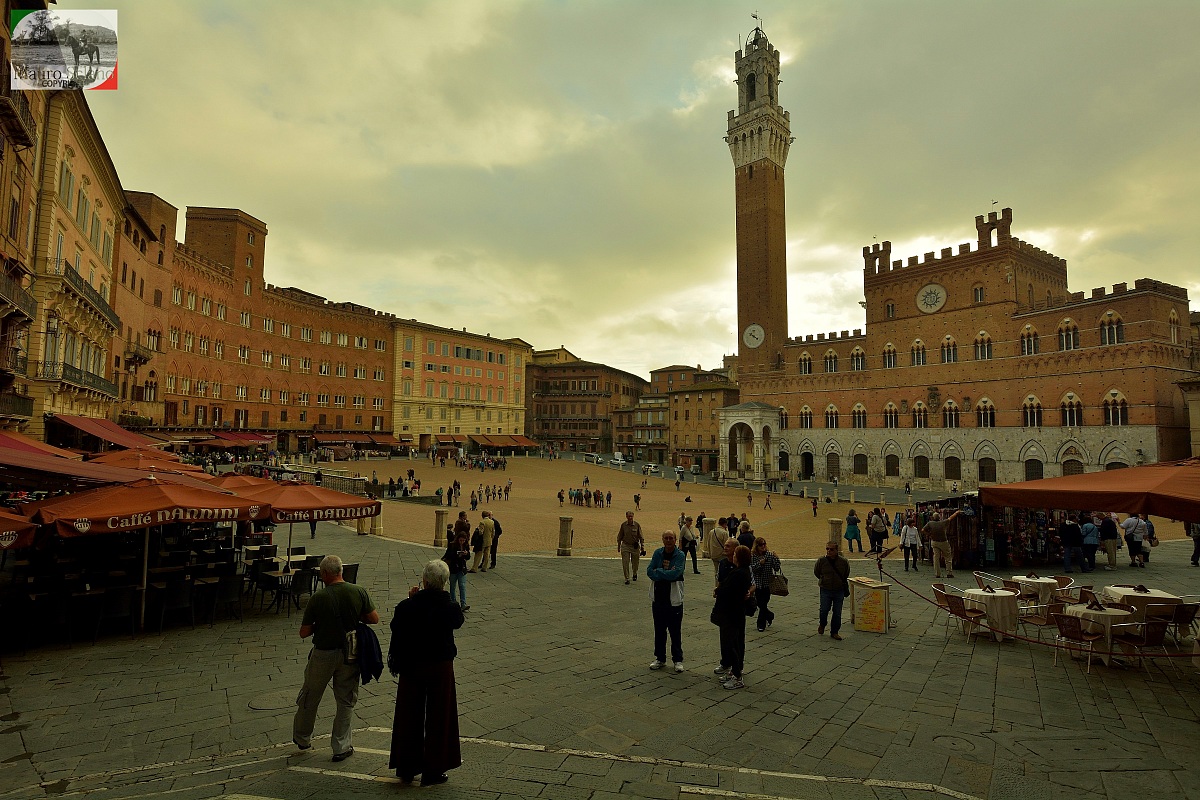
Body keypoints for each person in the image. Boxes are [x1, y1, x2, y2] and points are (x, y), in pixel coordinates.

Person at [293, 555, 380, 762]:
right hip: (350, 652)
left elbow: (304, 632)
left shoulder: (318, 597)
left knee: (310, 696)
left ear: (324, 574)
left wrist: (320, 625)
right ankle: (341, 746)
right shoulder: (358, 591)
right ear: (341, 571)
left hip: (323, 654)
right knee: (346, 700)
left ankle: (302, 738)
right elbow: (374, 618)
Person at [388, 559, 465, 786]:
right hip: (440, 665)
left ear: (424, 581)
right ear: (444, 583)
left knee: (408, 713)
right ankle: (434, 769)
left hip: (412, 665)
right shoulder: (450, 607)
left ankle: (406, 765)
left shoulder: (407, 606)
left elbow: (397, 626)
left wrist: (413, 599)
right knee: (440, 715)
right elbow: (457, 621)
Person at [712, 544, 752, 690]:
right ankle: (733, 672)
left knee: (732, 645)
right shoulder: (742, 571)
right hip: (734, 612)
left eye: (735, 553)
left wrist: (718, 591)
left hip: (732, 614)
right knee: (732, 643)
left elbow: (728, 591)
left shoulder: (739, 573)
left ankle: (737, 676)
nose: (733, 556)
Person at [647, 531, 686, 673]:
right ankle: (660, 658)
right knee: (659, 630)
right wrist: (666, 572)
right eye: (666, 538)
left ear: (675, 540)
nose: (668, 540)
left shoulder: (680, 555)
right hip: (658, 598)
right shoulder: (658, 553)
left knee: (675, 631)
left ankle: (677, 659)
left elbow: (677, 573)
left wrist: (660, 572)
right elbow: (649, 571)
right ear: (662, 539)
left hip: (674, 599)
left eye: (671, 538)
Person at [814, 543, 849, 640]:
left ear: (837, 550)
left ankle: (834, 631)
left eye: (831, 549)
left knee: (837, 612)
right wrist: (824, 579)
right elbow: (817, 572)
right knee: (824, 610)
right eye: (827, 549)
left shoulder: (843, 562)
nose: (829, 551)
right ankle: (822, 624)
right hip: (826, 589)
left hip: (839, 589)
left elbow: (846, 573)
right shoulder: (821, 561)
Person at [749, 537, 781, 632]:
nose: (763, 546)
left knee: (763, 604)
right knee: (760, 604)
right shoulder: (753, 556)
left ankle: (761, 624)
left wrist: (776, 557)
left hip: (767, 584)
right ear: (757, 546)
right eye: (761, 545)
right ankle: (769, 616)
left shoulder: (769, 555)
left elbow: (776, 568)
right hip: (757, 584)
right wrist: (760, 563)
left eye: (764, 544)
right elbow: (752, 569)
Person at [923, 509, 962, 578]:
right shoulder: (943, 523)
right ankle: (949, 573)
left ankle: (937, 573)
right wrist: (956, 513)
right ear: (939, 517)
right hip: (943, 542)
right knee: (948, 557)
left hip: (934, 542)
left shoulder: (930, 523)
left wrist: (929, 534)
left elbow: (923, 530)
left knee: (936, 558)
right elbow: (950, 518)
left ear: (933, 518)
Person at [442, 530, 470, 611]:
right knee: (452, 587)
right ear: (458, 539)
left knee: (462, 586)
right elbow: (448, 555)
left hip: (461, 569)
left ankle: (463, 603)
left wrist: (466, 554)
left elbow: (468, 557)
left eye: (463, 540)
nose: (462, 542)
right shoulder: (452, 545)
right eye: (461, 540)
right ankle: (453, 603)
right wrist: (457, 555)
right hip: (453, 568)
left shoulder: (466, 545)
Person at [617, 511, 644, 585]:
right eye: (629, 516)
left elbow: (641, 536)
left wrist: (642, 547)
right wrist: (619, 546)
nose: (630, 518)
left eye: (631, 516)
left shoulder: (637, 525)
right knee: (625, 562)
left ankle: (634, 573)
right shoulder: (623, 525)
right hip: (625, 545)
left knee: (635, 563)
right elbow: (620, 536)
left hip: (634, 546)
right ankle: (627, 578)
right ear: (626, 516)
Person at [705, 518, 730, 585]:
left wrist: (710, 553)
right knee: (723, 572)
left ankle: (717, 585)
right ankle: (722, 585)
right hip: (722, 555)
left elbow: (708, 543)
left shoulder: (711, 531)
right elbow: (727, 545)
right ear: (725, 524)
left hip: (713, 554)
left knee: (716, 571)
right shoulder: (724, 533)